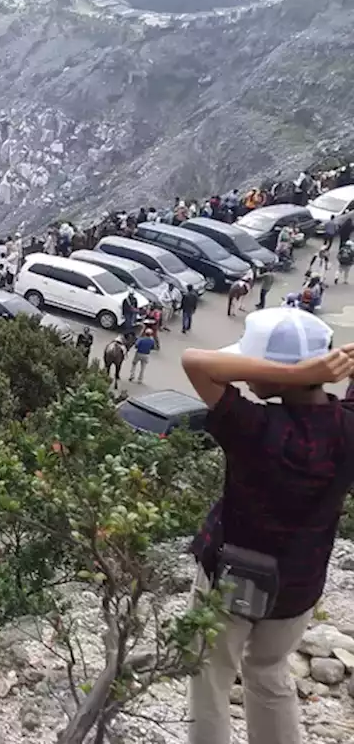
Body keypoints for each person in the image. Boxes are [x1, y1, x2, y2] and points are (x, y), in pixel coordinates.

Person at [181, 310, 354, 744]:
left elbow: (195, 362)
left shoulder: (255, 426)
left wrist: (293, 370)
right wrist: (305, 370)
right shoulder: (348, 426)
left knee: (208, 675)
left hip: (232, 580)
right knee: (268, 670)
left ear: (283, 376)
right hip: (300, 584)